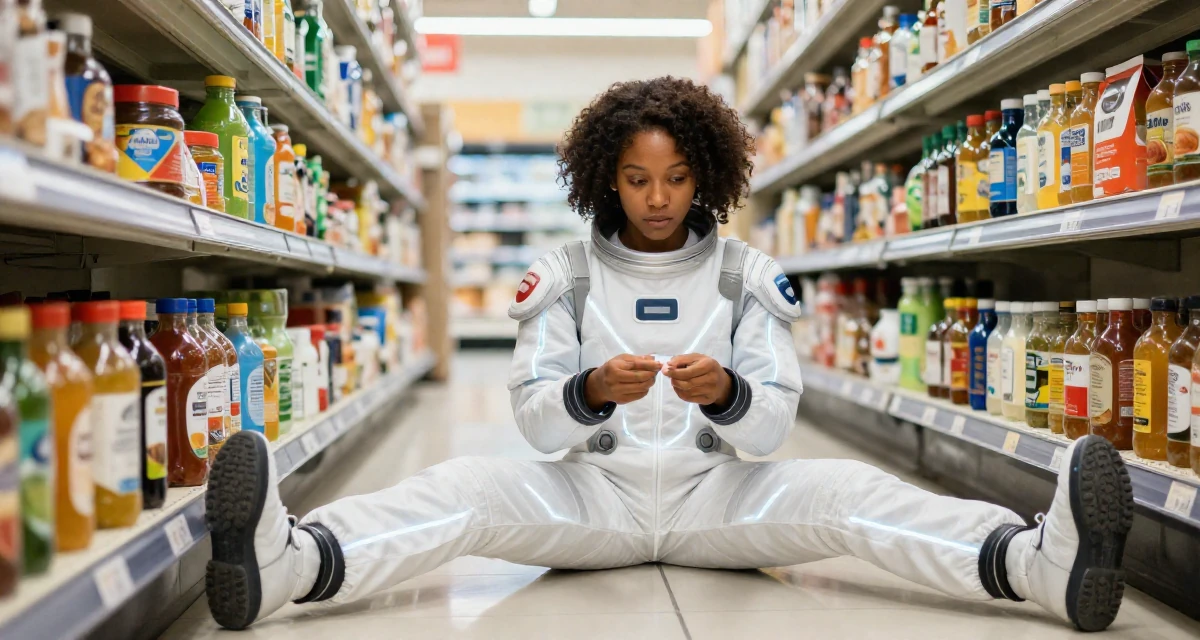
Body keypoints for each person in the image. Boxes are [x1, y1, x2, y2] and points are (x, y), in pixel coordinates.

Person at [204, 77, 1133, 633]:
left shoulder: (746, 275)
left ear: (709, 176)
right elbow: (533, 418)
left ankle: (1037, 566)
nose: (659, 199)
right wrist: (587, 393)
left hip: (715, 499)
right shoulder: (562, 274)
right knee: (458, 494)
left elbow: (771, 428)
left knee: (852, 496)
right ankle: (290, 562)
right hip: (588, 501)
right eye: (640, 179)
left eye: (679, 179)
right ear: (607, 175)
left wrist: (729, 391)